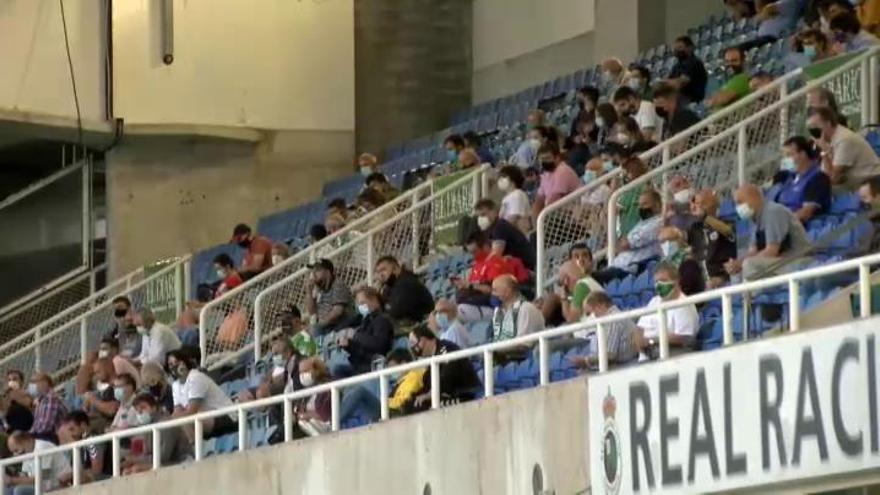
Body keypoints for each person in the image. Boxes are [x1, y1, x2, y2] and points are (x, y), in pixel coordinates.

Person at [725, 184, 811, 280]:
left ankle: (759, 295)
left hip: (798, 261)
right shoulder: (755, 220)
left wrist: (742, 263)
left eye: (740, 202)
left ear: (754, 197)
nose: (738, 207)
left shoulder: (773, 211)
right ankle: (746, 295)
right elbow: (752, 251)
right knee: (737, 273)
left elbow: (771, 251)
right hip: (779, 263)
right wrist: (736, 264)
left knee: (749, 265)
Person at [596, 188, 663, 284]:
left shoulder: (658, 223)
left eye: (645, 204)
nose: (640, 208)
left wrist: (622, 244)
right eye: (639, 205)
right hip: (618, 267)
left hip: (631, 270)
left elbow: (625, 244)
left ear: (657, 205)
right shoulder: (640, 224)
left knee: (592, 279)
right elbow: (619, 245)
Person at [635, 263, 699, 360]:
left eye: (663, 281)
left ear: (676, 281)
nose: (659, 285)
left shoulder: (684, 304)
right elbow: (639, 328)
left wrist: (652, 340)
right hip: (647, 354)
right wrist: (639, 343)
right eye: (657, 282)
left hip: (673, 354)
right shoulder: (654, 301)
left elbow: (685, 338)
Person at [408, 325, 481, 410]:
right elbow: (428, 385)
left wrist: (430, 394)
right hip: (446, 396)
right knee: (412, 404)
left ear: (423, 340)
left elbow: (448, 376)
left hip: (465, 395)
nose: (413, 348)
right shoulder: (432, 360)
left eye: (413, 343)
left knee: (423, 407)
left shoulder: (447, 348)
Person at [168, 350, 236, 440]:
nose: (174, 366)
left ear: (184, 361)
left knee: (185, 421)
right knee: (174, 424)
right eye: (171, 364)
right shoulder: (175, 385)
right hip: (206, 419)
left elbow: (192, 411)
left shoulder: (195, 377)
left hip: (226, 415)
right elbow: (177, 411)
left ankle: (194, 449)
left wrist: (171, 419)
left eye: (177, 362)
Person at [809, 107, 880, 189]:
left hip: (871, 185)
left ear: (828, 123)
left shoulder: (844, 140)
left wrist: (824, 152)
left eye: (816, 126)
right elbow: (826, 175)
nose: (813, 131)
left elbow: (832, 177)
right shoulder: (829, 141)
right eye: (811, 127)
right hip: (854, 185)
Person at [122, 394, 192, 474]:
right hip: (164, 462)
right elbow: (147, 454)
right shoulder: (147, 427)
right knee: (126, 471)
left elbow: (163, 457)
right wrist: (130, 460)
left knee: (136, 469)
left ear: (154, 407)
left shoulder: (166, 423)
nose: (140, 413)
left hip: (181, 461)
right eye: (137, 410)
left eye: (143, 408)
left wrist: (135, 460)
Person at [333, 287, 394, 377]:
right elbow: (360, 349)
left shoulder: (382, 320)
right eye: (358, 305)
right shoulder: (365, 322)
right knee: (336, 368)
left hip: (372, 368)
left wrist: (355, 336)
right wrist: (348, 345)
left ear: (374, 301)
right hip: (359, 366)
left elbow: (379, 344)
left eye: (362, 303)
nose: (360, 307)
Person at [454, 232, 515, 323]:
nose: (472, 255)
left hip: (492, 307)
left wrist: (470, 286)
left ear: (485, 246)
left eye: (475, 251)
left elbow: (495, 292)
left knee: (453, 314)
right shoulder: (477, 265)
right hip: (475, 304)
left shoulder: (495, 262)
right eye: (470, 252)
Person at [569, 292, 639, 370]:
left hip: (626, 367)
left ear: (600, 306)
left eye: (590, 313)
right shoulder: (615, 316)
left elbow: (610, 355)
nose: (592, 316)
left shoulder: (612, 320)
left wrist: (586, 361)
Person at [774, 135, 832, 222]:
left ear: (803, 154)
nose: (785, 160)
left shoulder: (818, 179)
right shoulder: (786, 176)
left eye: (789, 155)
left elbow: (805, 213)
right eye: (784, 156)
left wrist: (782, 225)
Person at [688, 190, 737, 288]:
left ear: (711, 205)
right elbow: (688, 247)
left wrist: (705, 217)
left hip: (722, 276)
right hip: (701, 276)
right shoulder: (695, 227)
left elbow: (728, 231)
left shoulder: (725, 223)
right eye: (696, 204)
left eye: (700, 203)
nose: (697, 207)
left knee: (708, 286)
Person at [490, 275, 545, 362]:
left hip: (524, 360)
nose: (492, 294)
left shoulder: (526, 308)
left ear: (507, 291)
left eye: (495, 290)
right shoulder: (498, 312)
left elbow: (524, 345)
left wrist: (496, 349)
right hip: (504, 360)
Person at [474, 198, 536, 270]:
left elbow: (496, 255)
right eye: (479, 216)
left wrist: (481, 267)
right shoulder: (489, 231)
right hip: (514, 268)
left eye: (483, 214)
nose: (481, 219)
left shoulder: (500, 226)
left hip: (526, 269)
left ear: (493, 211)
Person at [374, 256, 434, 326]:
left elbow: (397, 311)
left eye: (383, 270)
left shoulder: (407, 282)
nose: (381, 275)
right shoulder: (389, 288)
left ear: (395, 268)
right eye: (378, 272)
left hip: (421, 325)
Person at [6, 431, 70, 494]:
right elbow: (25, 475)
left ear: (25, 440)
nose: (15, 455)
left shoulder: (43, 447)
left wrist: (12, 480)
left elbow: (39, 478)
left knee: (19, 491)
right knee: (7, 491)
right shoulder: (27, 451)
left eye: (16, 450)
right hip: (42, 487)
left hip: (57, 486)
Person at [56, 410, 111, 484]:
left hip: (105, 479)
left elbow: (96, 470)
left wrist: (72, 475)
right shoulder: (79, 445)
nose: (71, 434)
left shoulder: (92, 441)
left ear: (83, 425)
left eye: (72, 429)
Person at [305, 259, 356, 335]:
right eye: (313, 271)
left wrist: (318, 325)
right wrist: (309, 292)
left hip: (341, 323)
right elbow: (312, 311)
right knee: (304, 336)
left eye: (318, 270)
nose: (314, 274)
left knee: (314, 331)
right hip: (327, 326)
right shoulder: (318, 288)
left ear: (328, 272)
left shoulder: (338, 285)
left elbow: (337, 312)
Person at [726, 0, 803, 50]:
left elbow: (766, 10)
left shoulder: (788, 3)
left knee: (737, 50)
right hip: (763, 39)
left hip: (772, 38)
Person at [532, 142, 582, 218]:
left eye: (547, 158)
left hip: (570, 216)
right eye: (541, 159)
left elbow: (554, 199)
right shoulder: (546, 174)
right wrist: (535, 219)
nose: (544, 162)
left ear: (557, 157)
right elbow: (539, 200)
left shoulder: (563, 171)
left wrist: (542, 218)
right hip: (555, 215)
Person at [658, 226, 705, 296]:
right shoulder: (663, 263)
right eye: (662, 242)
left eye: (669, 240)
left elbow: (687, 287)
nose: (665, 244)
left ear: (679, 240)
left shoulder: (689, 260)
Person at [292, 357, 332, 437]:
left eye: (305, 371)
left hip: (325, 426)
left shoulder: (327, 388)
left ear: (317, 370)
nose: (302, 376)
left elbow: (326, 416)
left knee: (302, 423)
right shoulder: (305, 393)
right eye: (300, 373)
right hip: (307, 426)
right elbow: (298, 412)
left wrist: (306, 415)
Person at [666, 36, 708, 104]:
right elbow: (668, 83)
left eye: (680, 47)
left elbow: (682, 82)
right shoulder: (676, 66)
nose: (676, 50)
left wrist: (670, 83)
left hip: (692, 100)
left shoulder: (694, 62)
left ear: (689, 48)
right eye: (675, 48)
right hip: (681, 99)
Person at [80, 358, 119, 432]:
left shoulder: (120, 385)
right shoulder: (107, 390)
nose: (96, 376)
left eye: (98, 372)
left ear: (108, 368)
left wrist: (93, 399)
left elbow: (112, 410)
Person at [27, 373, 66, 444]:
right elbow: (36, 425)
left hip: (54, 438)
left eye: (34, 381)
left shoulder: (51, 398)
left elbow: (45, 426)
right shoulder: (41, 400)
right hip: (45, 437)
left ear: (45, 383)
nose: (31, 385)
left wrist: (29, 436)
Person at [496, 165, 532, 234]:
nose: (500, 180)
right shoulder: (507, 197)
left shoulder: (517, 194)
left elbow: (514, 217)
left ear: (513, 178)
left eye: (503, 177)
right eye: (499, 177)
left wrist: (500, 231)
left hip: (518, 234)